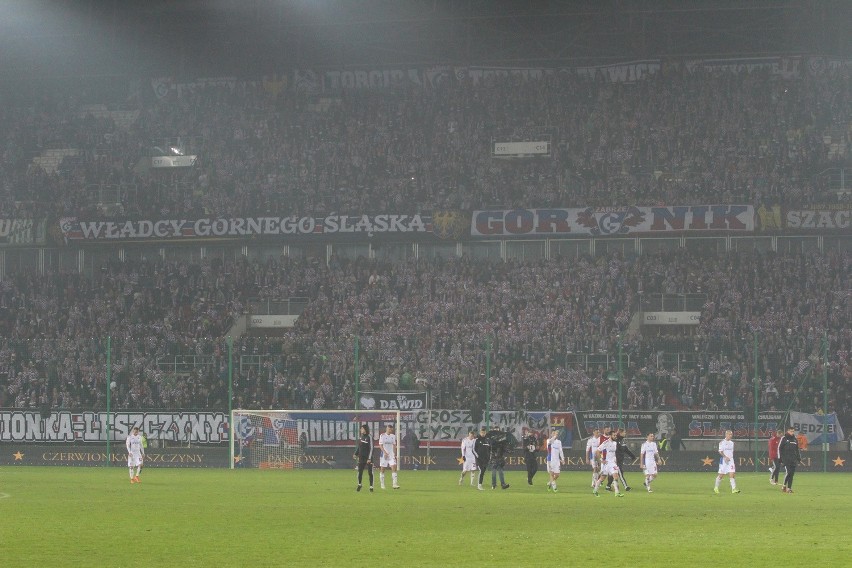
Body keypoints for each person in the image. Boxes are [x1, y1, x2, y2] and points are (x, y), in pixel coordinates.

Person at [593, 431, 623, 497]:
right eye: (614, 435)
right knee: (602, 478)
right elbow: (597, 451)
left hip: (613, 463)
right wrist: (601, 460)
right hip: (607, 463)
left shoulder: (615, 443)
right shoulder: (606, 442)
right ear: (610, 436)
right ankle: (595, 491)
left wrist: (615, 461)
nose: (615, 436)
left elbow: (613, 453)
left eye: (616, 435)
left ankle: (617, 493)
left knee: (616, 475)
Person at [607, 427, 636, 492]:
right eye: (624, 432)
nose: (625, 433)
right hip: (616, 461)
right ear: (620, 433)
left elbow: (626, 450)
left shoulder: (622, 441)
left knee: (614, 474)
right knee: (620, 473)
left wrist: (633, 456)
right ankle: (626, 487)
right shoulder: (615, 441)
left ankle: (608, 486)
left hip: (620, 460)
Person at [713, 430, 741, 494]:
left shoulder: (732, 443)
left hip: (731, 460)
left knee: (732, 474)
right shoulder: (722, 442)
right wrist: (725, 457)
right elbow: (720, 451)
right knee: (721, 475)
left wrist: (730, 457)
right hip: (724, 460)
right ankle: (716, 487)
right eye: (729, 434)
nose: (730, 436)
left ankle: (733, 489)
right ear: (726, 435)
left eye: (731, 434)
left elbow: (731, 452)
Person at [778, 426, 802, 494]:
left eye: (793, 431)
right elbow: (779, 448)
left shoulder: (795, 439)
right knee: (788, 472)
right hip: (786, 459)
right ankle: (786, 487)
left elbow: (797, 450)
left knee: (791, 474)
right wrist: (780, 459)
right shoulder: (784, 438)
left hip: (793, 459)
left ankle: (788, 488)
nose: (792, 433)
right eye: (791, 431)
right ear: (788, 431)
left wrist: (798, 458)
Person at [353, 424, 374, 492]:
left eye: (362, 429)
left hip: (368, 458)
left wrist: (369, 458)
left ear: (365, 429)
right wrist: (356, 454)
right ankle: (359, 484)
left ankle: (371, 486)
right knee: (360, 472)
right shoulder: (361, 437)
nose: (360, 430)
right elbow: (359, 447)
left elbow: (371, 448)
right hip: (361, 457)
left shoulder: (369, 437)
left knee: (370, 472)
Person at [378, 424, 400, 489]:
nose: (390, 430)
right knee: (382, 469)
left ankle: (394, 484)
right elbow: (380, 445)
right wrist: (385, 452)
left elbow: (394, 445)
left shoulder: (393, 436)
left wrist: (394, 454)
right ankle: (382, 484)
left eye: (391, 429)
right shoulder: (382, 435)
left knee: (394, 467)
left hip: (391, 455)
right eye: (389, 429)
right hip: (384, 455)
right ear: (386, 429)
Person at [473, 426, 492, 491]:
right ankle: (479, 485)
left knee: (483, 471)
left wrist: (489, 456)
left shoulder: (488, 440)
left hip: (486, 459)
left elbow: (490, 449)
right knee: (481, 470)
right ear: (480, 432)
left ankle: (480, 484)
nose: (483, 434)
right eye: (482, 432)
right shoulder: (476, 440)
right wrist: (477, 456)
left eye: (484, 432)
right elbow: (473, 449)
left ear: (485, 433)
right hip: (479, 459)